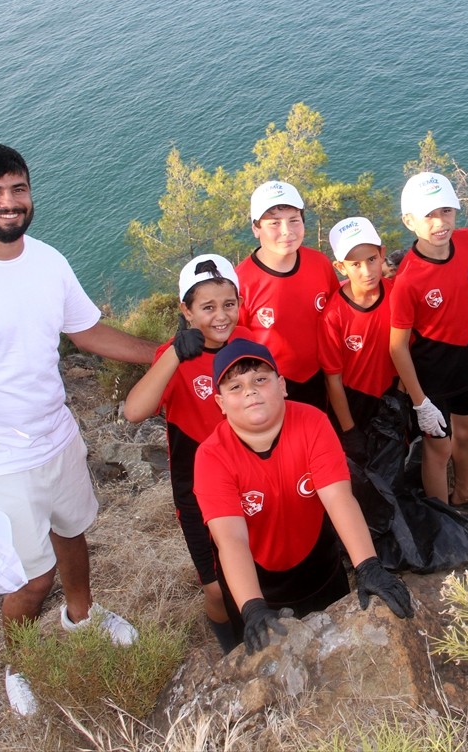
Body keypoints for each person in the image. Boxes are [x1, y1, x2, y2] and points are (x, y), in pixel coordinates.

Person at [0, 144, 158, 716]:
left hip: (57, 435)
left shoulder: (46, 260)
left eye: (17, 189)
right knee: (29, 578)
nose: (8, 203)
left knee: (73, 534)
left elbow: (88, 333)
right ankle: (20, 666)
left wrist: (168, 353)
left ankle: (82, 619)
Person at [193, 339, 414, 653]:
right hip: (256, 581)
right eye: (235, 387)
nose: (250, 392)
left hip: (320, 565)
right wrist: (252, 607)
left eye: (260, 379)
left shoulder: (313, 423)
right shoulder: (211, 456)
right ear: (220, 403)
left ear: (282, 385)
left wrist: (367, 565)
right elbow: (231, 539)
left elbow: (339, 499)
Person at [123, 254, 248, 652]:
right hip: (197, 491)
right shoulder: (173, 356)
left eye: (229, 304)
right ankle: (232, 651)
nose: (220, 316)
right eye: (207, 308)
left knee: (252, 568)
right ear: (186, 310)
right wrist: (176, 354)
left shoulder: (250, 342)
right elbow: (134, 411)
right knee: (215, 587)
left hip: (251, 477)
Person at [389, 172, 468, 508]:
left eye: (446, 211)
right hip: (431, 368)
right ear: (409, 221)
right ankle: (442, 517)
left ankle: (465, 492)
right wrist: (420, 402)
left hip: (466, 357)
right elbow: (397, 346)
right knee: (438, 446)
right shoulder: (408, 278)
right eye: (428, 215)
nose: (439, 222)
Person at [237, 180, 339, 411]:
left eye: (294, 220)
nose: (287, 231)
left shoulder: (319, 263)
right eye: (274, 223)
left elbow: (338, 315)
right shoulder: (241, 283)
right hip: (273, 386)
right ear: (256, 228)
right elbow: (238, 346)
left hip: (326, 375)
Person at [320, 217, 397, 462]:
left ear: (382, 254)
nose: (367, 271)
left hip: (393, 394)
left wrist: (403, 397)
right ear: (341, 267)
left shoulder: (396, 293)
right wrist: (349, 430)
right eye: (355, 264)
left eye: (372, 259)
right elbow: (333, 380)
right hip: (355, 401)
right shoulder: (333, 315)